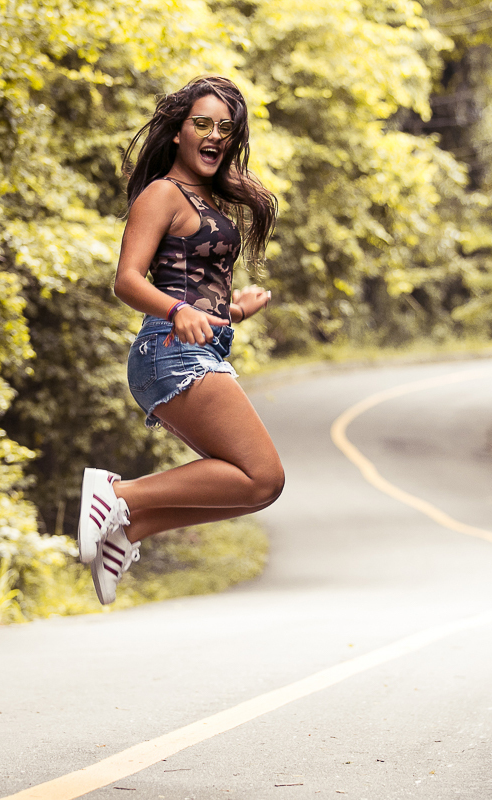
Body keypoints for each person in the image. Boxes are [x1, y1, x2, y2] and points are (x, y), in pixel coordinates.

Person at [76, 76, 285, 604]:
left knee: (255, 486)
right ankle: (117, 494)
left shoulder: (206, 199)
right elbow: (128, 279)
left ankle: (129, 528)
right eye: (202, 124)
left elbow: (191, 288)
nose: (214, 135)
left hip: (194, 348)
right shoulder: (162, 193)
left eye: (225, 127)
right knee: (265, 475)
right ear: (178, 133)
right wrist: (178, 310)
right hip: (169, 352)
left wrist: (232, 310)